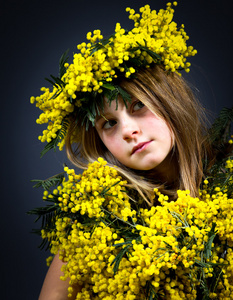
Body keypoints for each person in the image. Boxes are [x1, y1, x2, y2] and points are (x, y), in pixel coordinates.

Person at [31, 2, 232, 300]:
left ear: (169, 101)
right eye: (108, 124)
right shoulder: (93, 229)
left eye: (138, 105)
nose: (127, 130)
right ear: (101, 143)